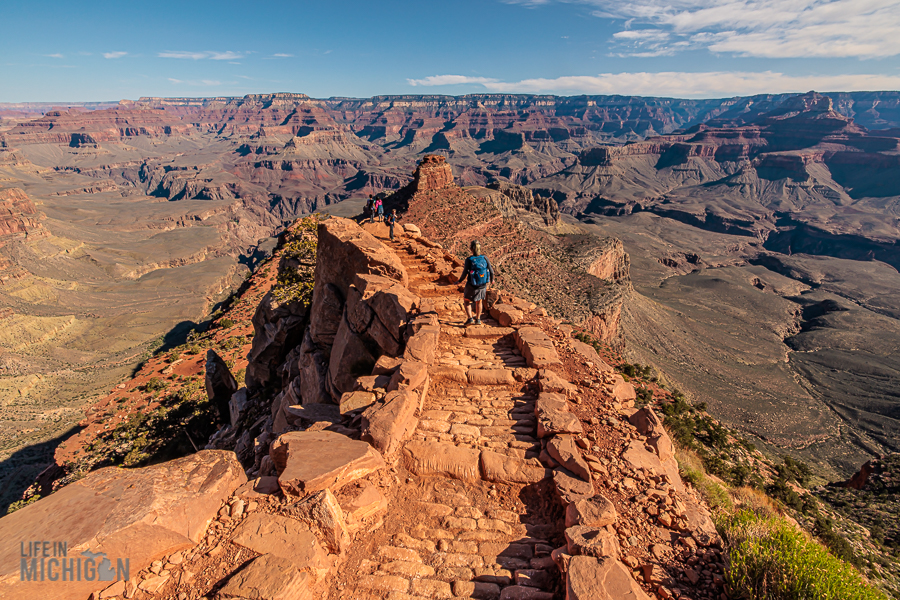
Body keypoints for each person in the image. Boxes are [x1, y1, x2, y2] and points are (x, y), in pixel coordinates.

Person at [457, 240, 494, 325]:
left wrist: (459, 281)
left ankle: (470, 318)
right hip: (482, 284)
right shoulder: (485, 258)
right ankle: (478, 319)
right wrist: (492, 280)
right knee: (479, 301)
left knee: (466, 300)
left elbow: (465, 273)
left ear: (471, 249)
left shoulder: (469, 259)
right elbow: (491, 271)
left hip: (471, 284)